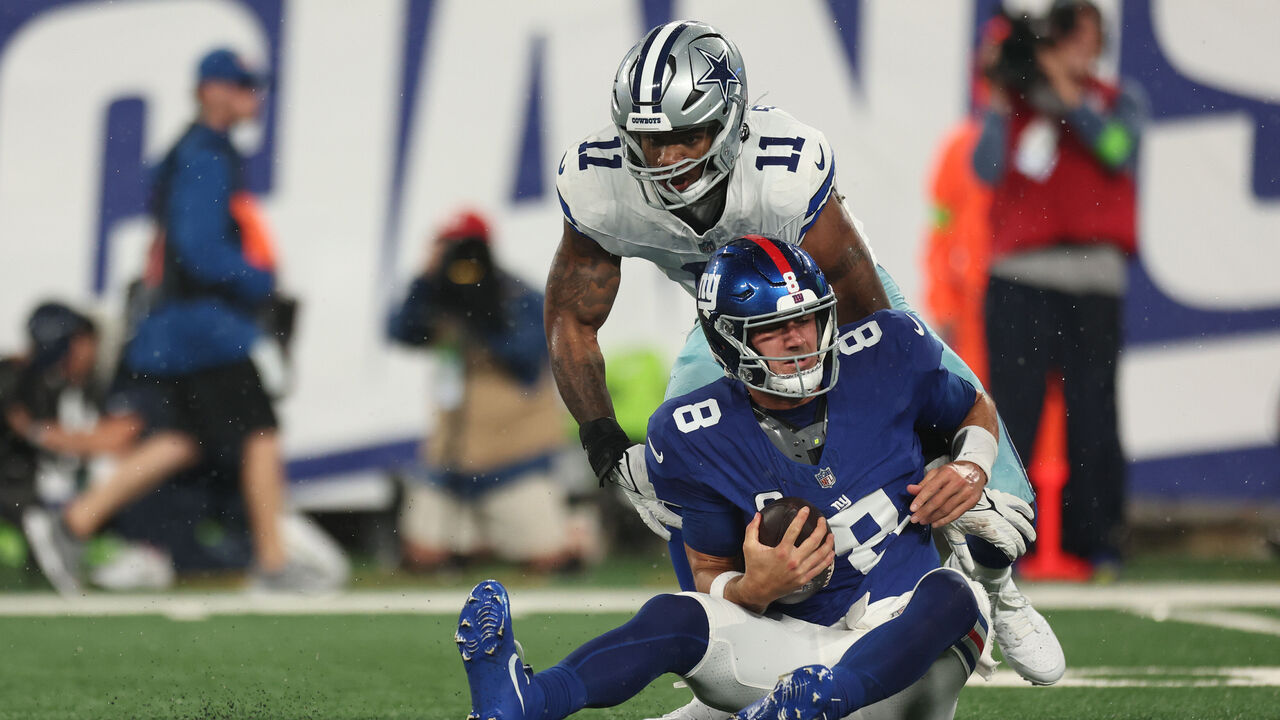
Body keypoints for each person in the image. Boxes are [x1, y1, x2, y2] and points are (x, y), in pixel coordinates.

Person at [546, 19, 1063, 694]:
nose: (668, 157)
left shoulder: (783, 174)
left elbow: (862, 307)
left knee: (995, 485)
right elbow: (571, 318)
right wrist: (603, 442)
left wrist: (927, 443)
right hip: (730, 324)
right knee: (688, 453)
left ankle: (999, 591)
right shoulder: (599, 183)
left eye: (687, 136)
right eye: (652, 138)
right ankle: (726, 639)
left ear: (730, 125)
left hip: (831, 305)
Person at [459, 237, 999, 720]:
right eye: (773, 328)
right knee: (680, 613)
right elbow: (709, 572)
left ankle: (819, 703)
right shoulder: (692, 431)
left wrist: (970, 463)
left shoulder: (888, 350)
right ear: (726, 343)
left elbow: (974, 406)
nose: (797, 340)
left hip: (903, 656)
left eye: (807, 319)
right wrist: (752, 589)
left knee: (955, 594)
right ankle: (527, 702)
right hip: (792, 658)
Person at [23, 47, 338, 594]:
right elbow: (197, 249)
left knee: (182, 440)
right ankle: (271, 562)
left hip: (179, 328)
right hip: (204, 329)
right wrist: (258, 281)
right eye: (240, 85)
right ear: (210, 90)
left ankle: (71, 523)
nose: (251, 96)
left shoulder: (189, 151)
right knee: (259, 432)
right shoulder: (206, 155)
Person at [974, 0, 1143, 572]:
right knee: (1013, 415)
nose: (1070, 46)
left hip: (1093, 282)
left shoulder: (1122, 103)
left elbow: (1119, 151)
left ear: (1098, 45)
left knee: (1092, 414)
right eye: (1061, 35)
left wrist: (1068, 93)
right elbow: (986, 170)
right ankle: (1005, 538)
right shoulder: (1018, 105)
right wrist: (1000, 96)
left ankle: (1094, 540)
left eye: (1081, 36)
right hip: (1021, 278)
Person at [387, 209, 578, 573]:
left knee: (549, 558)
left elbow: (526, 356)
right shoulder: (437, 295)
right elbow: (399, 331)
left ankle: (576, 528)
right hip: (451, 464)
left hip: (515, 462)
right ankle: (476, 541)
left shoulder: (519, 296)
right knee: (421, 557)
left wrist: (481, 318)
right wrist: (426, 280)